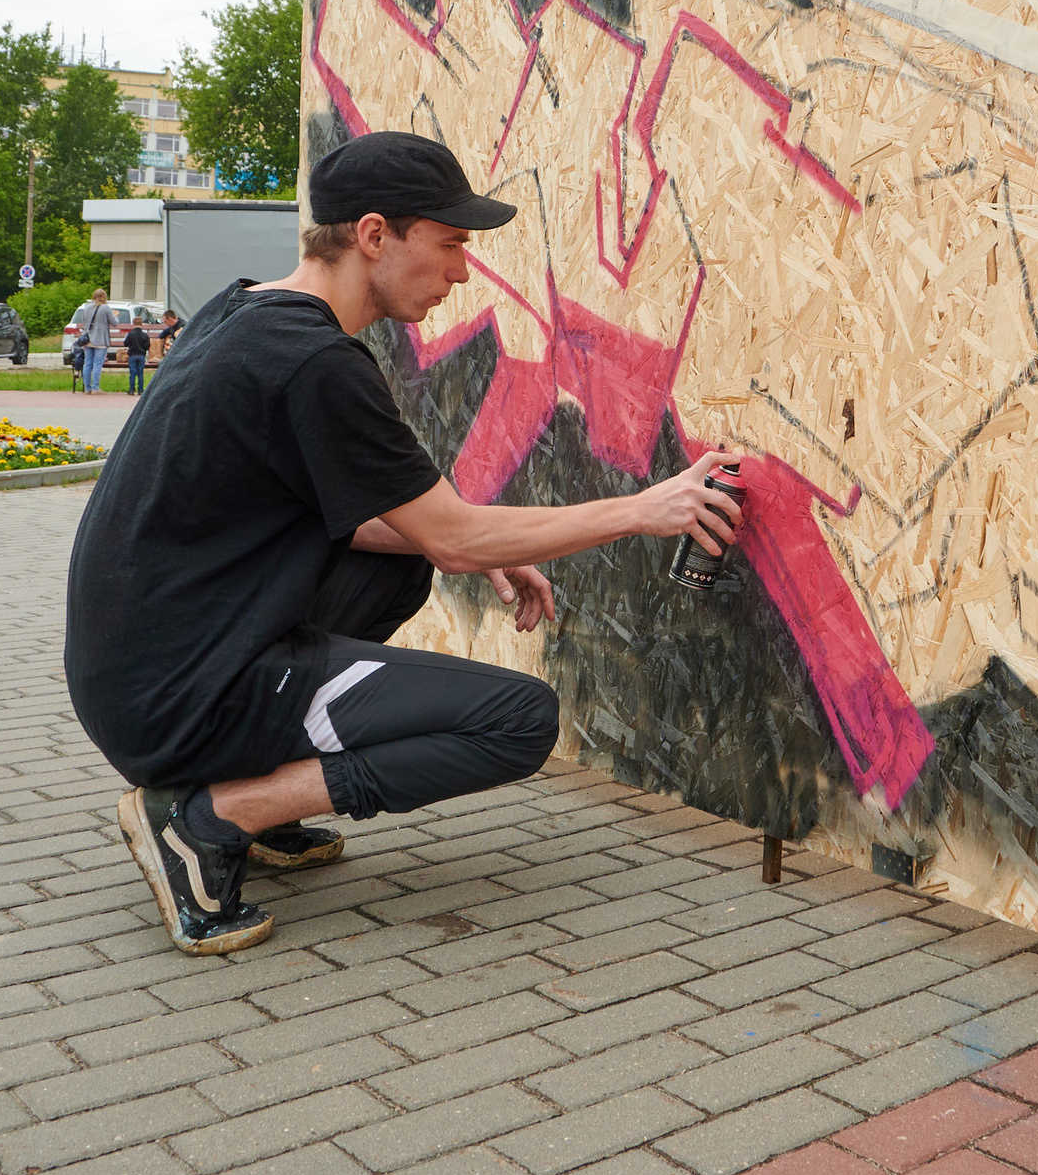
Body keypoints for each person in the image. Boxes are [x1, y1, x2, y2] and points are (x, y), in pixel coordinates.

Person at [63, 131, 741, 954]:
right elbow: (454, 535)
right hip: (179, 694)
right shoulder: (314, 361)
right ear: (374, 234)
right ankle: (211, 815)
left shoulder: (245, 311)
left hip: (139, 671)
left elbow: (400, 527)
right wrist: (645, 508)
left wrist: (476, 543)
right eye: (451, 243)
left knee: (402, 567)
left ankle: (246, 790)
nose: (462, 271)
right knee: (518, 721)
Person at [78, 290, 114, 394]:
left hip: (88, 338)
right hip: (100, 339)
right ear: (104, 297)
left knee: (87, 363)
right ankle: (95, 388)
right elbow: (114, 323)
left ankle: (87, 388)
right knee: (97, 364)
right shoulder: (105, 308)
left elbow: (84, 321)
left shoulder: (87, 307)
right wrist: (116, 315)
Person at [122, 321, 151, 397]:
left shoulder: (130, 334)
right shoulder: (145, 335)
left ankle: (131, 389)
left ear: (133, 324)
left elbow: (125, 343)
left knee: (132, 373)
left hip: (132, 355)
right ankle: (140, 390)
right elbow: (147, 346)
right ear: (142, 325)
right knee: (140, 373)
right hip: (141, 356)